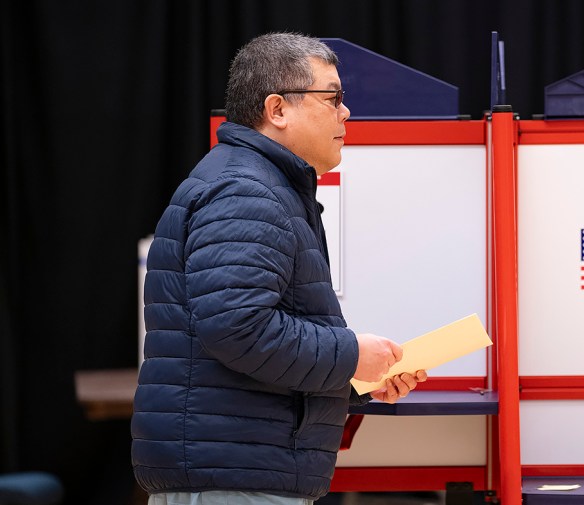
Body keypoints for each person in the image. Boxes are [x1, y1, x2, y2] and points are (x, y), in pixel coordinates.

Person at [131, 32, 427, 505]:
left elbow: (247, 339)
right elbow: (239, 327)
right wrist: (351, 355)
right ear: (278, 109)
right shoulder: (246, 191)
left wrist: (357, 376)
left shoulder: (259, 185)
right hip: (233, 478)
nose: (345, 112)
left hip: (236, 469)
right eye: (332, 98)